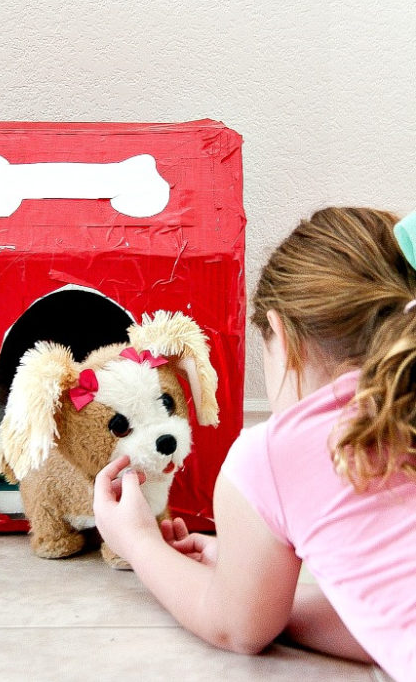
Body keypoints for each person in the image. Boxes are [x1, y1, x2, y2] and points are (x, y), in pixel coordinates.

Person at [93, 207, 416, 682]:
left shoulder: (270, 455)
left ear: (281, 335)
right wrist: (263, 586)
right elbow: (390, 618)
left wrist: (137, 541)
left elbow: (238, 627)